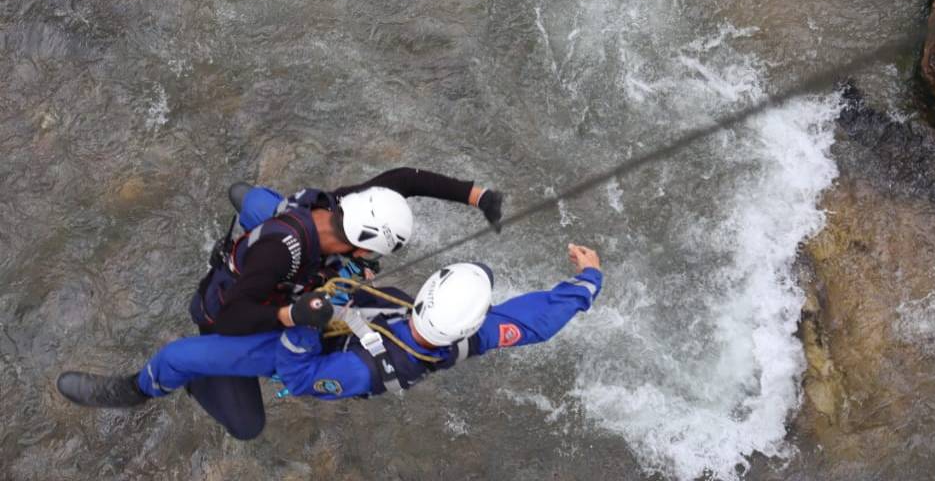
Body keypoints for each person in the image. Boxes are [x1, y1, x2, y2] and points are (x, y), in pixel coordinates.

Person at [56, 244, 602, 428]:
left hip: (314, 353)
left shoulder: (359, 373)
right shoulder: (474, 334)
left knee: (180, 356)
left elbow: (302, 379)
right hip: (350, 324)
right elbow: (535, 322)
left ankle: (133, 392)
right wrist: (586, 280)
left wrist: (301, 328)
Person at [185, 166, 504, 438]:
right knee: (247, 426)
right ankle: (196, 375)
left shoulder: (345, 206)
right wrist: (290, 315)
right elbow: (232, 318)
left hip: (274, 242)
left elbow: (405, 180)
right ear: (363, 250)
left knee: (249, 197)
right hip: (226, 318)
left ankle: (251, 217)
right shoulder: (285, 253)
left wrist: (478, 196)